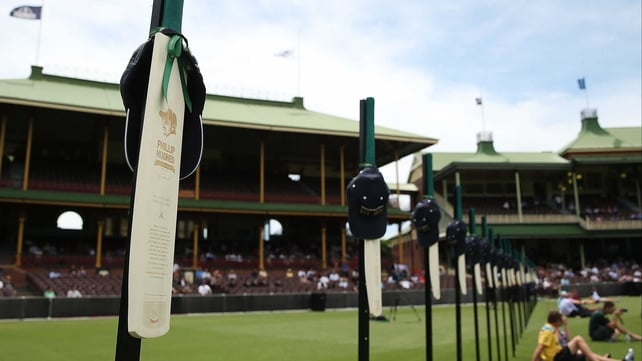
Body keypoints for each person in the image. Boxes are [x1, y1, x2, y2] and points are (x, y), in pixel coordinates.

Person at [532, 310, 631, 361]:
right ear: (557, 321)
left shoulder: (554, 329)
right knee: (579, 340)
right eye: (561, 319)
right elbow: (539, 347)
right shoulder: (548, 331)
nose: (563, 319)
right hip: (557, 358)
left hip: (561, 355)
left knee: (589, 354)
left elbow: (568, 340)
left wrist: (566, 325)